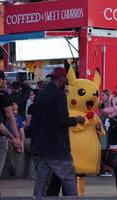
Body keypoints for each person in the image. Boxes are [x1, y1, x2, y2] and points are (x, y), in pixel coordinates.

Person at [31, 67, 85, 198]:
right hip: (57, 145)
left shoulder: (41, 94)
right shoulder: (60, 95)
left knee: (41, 180)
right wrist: (77, 119)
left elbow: (34, 118)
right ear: (62, 79)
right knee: (68, 178)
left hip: (42, 144)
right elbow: (62, 121)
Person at [0, 70, 21, 181]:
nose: (6, 82)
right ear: (0, 80)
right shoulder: (3, 95)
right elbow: (10, 117)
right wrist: (16, 137)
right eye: (4, 79)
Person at [5, 102, 25, 177]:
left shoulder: (19, 118)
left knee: (29, 143)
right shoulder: (6, 118)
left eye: (16, 110)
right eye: (13, 109)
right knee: (8, 147)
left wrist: (21, 142)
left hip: (18, 139)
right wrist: (14, 141)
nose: (15, 112)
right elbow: (4, 135)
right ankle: (12, 167)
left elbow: (22, 132)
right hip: (8, 140)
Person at [99, 89, 113, 177]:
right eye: (101, 95)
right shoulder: (101, 106)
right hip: (103, 130)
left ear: (108, 96)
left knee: (109, 150)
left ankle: (107, 169)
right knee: (103, 150)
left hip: (110, 130)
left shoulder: (113, 106)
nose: (101, 96)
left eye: (103, 95)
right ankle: (102, 169)